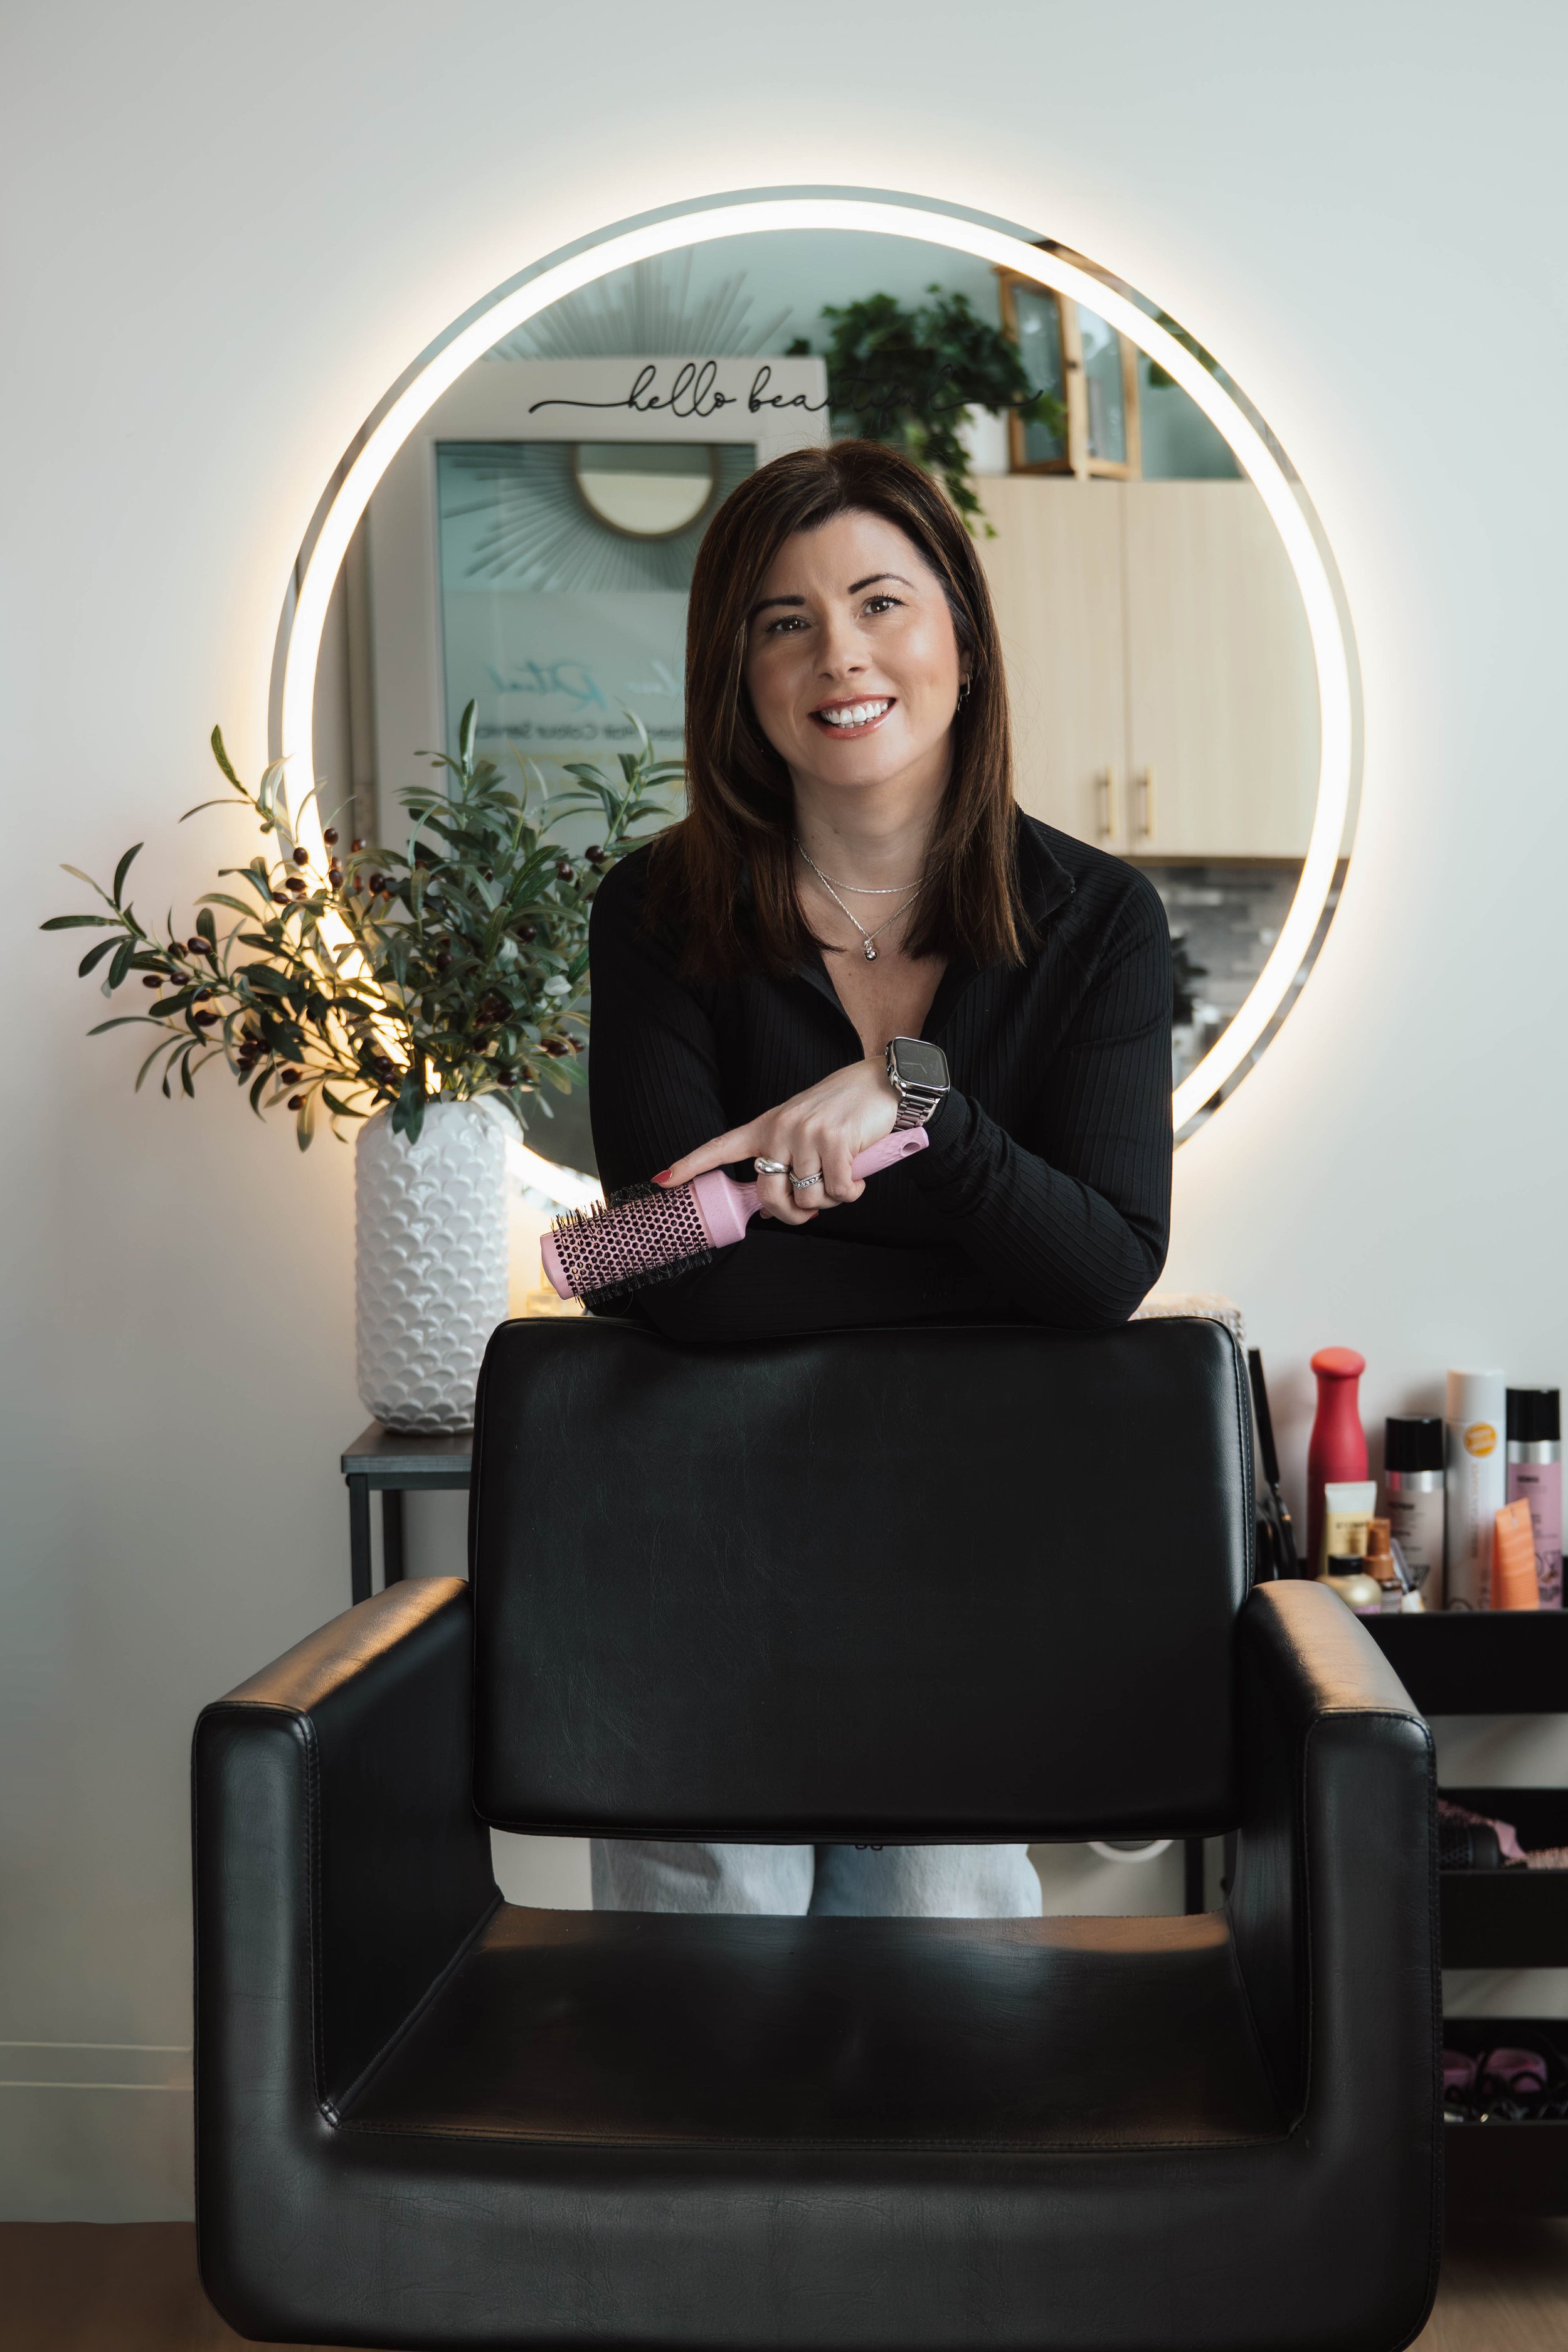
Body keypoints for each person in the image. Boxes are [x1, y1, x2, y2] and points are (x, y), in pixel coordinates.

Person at [585, 437, 1172, 1922]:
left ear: (958, 637)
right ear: (737, 676)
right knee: (697, 2005)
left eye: (877, 603)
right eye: (782, 621)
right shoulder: (653, 911)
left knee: (941, 1995)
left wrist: (923, 1111)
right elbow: (662, 1269)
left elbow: (1107, 1269)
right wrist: (990, 1274)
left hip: (964, 1559)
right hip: (698, 1554)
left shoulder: (1097, 920)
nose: (838, 656)